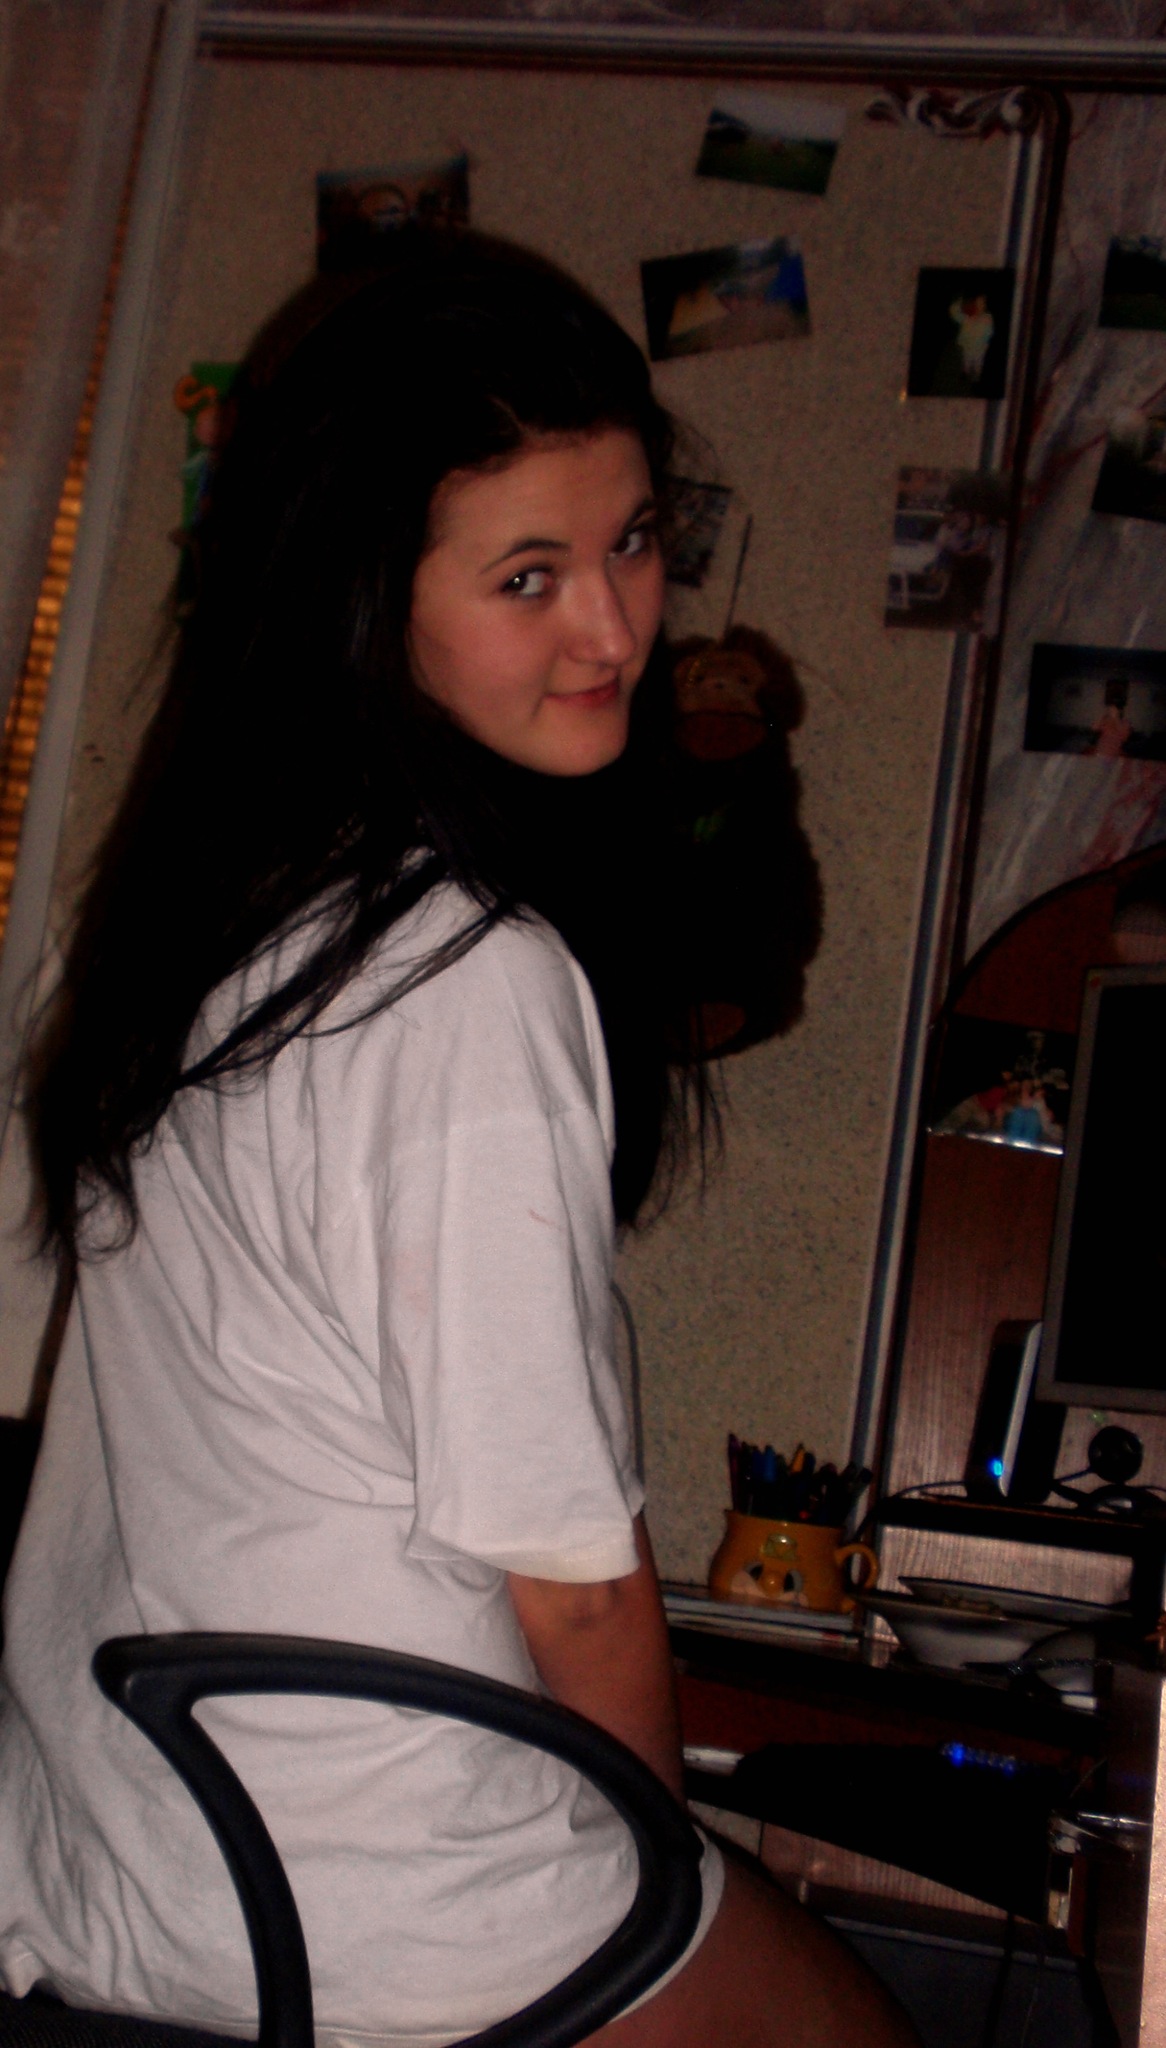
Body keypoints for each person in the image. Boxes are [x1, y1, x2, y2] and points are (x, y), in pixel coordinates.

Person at [0, 232, 912, 2048]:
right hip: (374, 1886)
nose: (616, 629)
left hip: (118, 1857)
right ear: (368, 598)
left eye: (633, 541)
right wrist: (655, 1865)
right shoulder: (466, 975)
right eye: (527, 575)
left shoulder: (219, 922)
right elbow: (574, 1587)